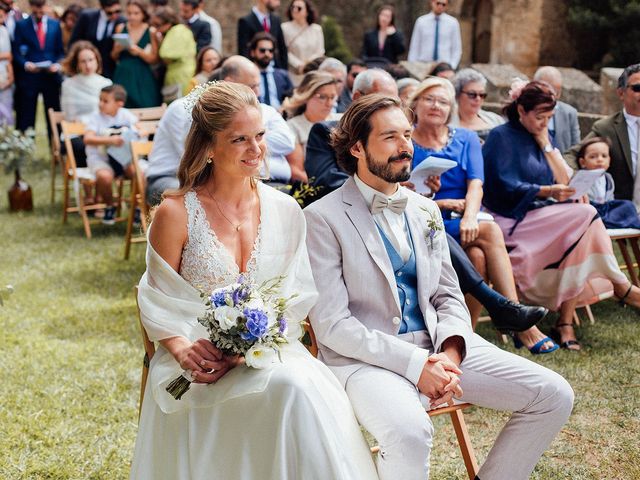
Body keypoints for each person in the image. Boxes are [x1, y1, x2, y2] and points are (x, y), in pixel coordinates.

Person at [304, 93, 574, 480]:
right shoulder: (321, 218)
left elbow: (447, 294)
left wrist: (449, 353)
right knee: (410, 432)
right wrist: (417, 366)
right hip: (366, 360)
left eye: (408, 135)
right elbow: (332, 325)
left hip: (440, 345)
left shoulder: (425, 209)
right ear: (357, 148)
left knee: (553, 395)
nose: (405, 148)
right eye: (391, 138)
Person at [130, 81, 378, 480]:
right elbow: (156, 301)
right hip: (196, 362)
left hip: (270, 353)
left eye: (260, 135)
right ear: (208, 146)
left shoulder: (284, 209)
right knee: (291, 390)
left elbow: (295, 299)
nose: (257, 149)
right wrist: (182, 350)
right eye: (240, 139)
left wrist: (250, 350)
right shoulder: (175, 213)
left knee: (296, 388)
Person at [483, 79, 640, 350]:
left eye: (549, 117)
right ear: (521, 110)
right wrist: (546, 191)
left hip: (540, 215)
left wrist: (545, 143)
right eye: (539, 117)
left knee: (582, 228)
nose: (544, 123)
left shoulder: (542, 136)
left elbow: (565, 179)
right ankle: (619, 285)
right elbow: (503, 185)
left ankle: (567, 322)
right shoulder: (500, 136)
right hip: (509, 218)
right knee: (586, 216)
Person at [409, 76, 555, 352]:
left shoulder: (465, 138)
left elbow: (477, 183)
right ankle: (519, 322)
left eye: (442, 101)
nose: (436, 106)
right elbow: (400, 193)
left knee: (477, 255)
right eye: (429, 99)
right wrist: (441, 204)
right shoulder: (406, 141)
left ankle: (467, 336)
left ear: (450, 107)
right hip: (426, 221)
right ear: (415, 103)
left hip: (465, 220)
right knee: (490, 231)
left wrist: (469, 216)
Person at [145, 55, 296, 203]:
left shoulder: (258, 108)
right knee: (206, 199)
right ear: (230, 82)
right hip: (169, 177)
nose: (258, 92)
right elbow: (192, 157)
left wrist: (239, 146)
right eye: (252, 86)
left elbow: (288, 142)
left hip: (230, 178)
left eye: (259, 135)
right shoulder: (183, 108)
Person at [565, 64, 640, 208]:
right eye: (638, 88)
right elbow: (571, 156)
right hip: (621, 211)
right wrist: (581, 186)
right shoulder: (606, 128)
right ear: (621, 93)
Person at [82, 84, 142, 224]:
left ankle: (136, 207)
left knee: (138, 173)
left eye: (105, 101)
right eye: (100, 100)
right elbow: (87, 138)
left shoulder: (125, 114)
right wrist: (110, 140)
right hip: (101, 159)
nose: (101, 104)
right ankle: (109, 206)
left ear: (119, 104)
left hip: (123, 158)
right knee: (104, 177)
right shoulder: (95, 118)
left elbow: (141, 130)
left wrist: (129, 133)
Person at [12, 0, 64, 137]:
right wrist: (25, 64)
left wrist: (57, 65)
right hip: (30, 78)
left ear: (46, 7)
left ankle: (56, 150)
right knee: (27, 116)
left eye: (42, 8)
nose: (39, 12)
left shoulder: (55, 25)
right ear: (31, 7)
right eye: (36, 9)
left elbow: (60, 52)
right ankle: (26, 151)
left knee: (52, 115)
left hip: (50, 77)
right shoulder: (21, 25)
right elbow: (16, 52)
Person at [283, 70, 339, 182]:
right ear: (306, 96)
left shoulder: (341, 120)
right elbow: (296, 171)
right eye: (322, 97)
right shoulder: (292, 127)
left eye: (332, 97)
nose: (329, 104)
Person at [578, 137, 640, 229]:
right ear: (583, 162)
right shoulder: (582, 177)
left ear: (609, 161)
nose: (599, 159)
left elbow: (610, 199)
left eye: (604, 156)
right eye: (593, 157)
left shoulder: (608, 178)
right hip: (591, 207)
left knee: (628, 205)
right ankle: (603, 222)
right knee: (587, 212)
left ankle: (607, 221)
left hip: (606, 208)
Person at [112, 0, 161, 108]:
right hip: (122, 73)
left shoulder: (151, 31)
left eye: (136, 13)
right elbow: (113, 56)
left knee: (145, 104)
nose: (132, 16)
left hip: (142, 75)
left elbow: (154, 59)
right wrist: (119, 49)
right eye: (129, 13)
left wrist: (138, 51)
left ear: (143, 13)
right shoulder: (120, 28)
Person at [69, 0, 126, 79]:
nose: (114, 15)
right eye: (110, 13)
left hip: (110, 70)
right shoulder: (87, 17)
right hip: (87, 67)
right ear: (102, 8)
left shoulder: (122, 21)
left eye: (117, 11)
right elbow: (74, 42)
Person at [151, 6, 196, 100]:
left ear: (168, 23)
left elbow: (166, 54)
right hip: (177, 75)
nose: (156, 28)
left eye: (158, 24)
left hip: (181, 76)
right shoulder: (177, 30)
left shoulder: (177, 30)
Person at [533, 66, 580, 153]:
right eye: (549, 92)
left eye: (557, 92)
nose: (553, 97)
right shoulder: (527, 112)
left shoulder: (570, 113)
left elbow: (576, 149)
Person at [61, 41, 112, 120]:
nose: (88, 65)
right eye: (83, 61)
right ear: (77, 64)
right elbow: (69, 114)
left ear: (97, 60)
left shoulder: (106, 83)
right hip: (76, 128)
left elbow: (110, 113)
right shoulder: (68, 84)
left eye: (91, 60)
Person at [451, 68, 504, 142]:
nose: (478, 99)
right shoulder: (447, 123)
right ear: (458, 95)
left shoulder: (495, 120)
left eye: (482, 95)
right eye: (472, 94)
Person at [281, 0, 324, 86]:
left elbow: (320, 51)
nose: (295, 10)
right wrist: (299, 65)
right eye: (293, 7)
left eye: (299, 8)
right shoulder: (284, 28)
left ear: (307, 12)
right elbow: (284, 50)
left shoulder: (316, 29)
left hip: (313, 73)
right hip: (294, 74)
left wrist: (308, 65)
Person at [408, 0, 461, 68]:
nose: (440, 6)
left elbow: (456, 48)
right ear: (432, 2)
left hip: (444, 65)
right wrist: (412, 66)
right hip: (423, 64)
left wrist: (452, 66)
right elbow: (414, 46)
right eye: (438, 3)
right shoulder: (421, 21)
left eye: (443, 4)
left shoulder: (453, 23)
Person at [238, 0, 288, 69]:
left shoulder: (276, 20)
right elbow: (243, 52)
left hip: (276, 70)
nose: (278, 3)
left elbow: (282, 49)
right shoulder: (246, 21)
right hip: (255, 71)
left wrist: (283, 72)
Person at [249, 31, 293, 109]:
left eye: (270, 50)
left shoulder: (282, 75)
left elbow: (292, 98)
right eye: (262, 50)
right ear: (253, 52)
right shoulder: (246, 76)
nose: (267, 54)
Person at [0, 3, 14, 125]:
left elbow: (9, 56)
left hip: (4, 75)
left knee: (5, 115)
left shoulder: (4, 31)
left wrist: (10, 77)